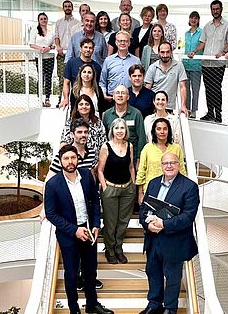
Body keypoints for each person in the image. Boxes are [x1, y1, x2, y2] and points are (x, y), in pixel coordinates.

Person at [44, 144, 113, 314]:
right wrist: (74, 230)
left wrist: (96, 224)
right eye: (66, 158)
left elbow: (95, 201)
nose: (70, 161)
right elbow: (51, 214)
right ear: (60, 162)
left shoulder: (86, 176)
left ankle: (92, 304)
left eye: (73, 157)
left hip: (89, 231)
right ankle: (74, 309)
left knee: (90, 271)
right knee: (72, 274)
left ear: (78, 159)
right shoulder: (53, 184)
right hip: (69, 235)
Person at [138, 152, 198, 314]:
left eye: (173, 163)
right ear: (161, 165)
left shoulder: (189, 186)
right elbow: (144, 208)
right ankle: (154, 304)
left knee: (172, 278)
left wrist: (164, 224)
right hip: (153, 238)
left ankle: (170, 309)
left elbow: (188, 216)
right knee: (153, 272)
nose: (169, 166)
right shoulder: (153, 183)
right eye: (166, 163)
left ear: (179, 165)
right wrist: (147, 225)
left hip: (174, 241)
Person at [97, 118, 135, 264]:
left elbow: (131, 167)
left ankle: (119, 248)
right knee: (110, 222)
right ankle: (110, 249)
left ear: (126, 131)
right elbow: (100, 170)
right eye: (117, 128)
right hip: (110, 189)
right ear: (112, 130)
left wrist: (133, 185)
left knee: (123, 222)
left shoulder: (129, 145)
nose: (119, 131)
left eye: (122, 128)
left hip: (127, 189)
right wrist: (105, 188)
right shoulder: (106, 147)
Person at [188, 0, 228, 123]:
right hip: (206, 63)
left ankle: (218, 114)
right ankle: (210, 113)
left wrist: (223, 52)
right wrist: (194, 52)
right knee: (208, 88)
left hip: (218, 64)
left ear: (221, 9)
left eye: (217, 9)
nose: (215, 11)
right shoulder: (207, 26)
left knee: (216, 88)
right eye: (213, 9)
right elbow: (202, 43)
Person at [136, 118, 186, 204]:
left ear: (169, 131)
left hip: (173, 191)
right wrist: (140, 194)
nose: (162, 132)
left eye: (165, 129)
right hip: (151, 190)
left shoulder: (176, 148)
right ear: (154, 131)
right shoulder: (147, 148)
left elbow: (181, 170)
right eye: (159, 129)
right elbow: (141, 172)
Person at [102, 85, 146, 164]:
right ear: (113, 96)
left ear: (128, 97)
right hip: (112, 159)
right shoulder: (107, 114)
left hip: (132, 158)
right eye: (117, 93)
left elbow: (141, 138)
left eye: (123, 93)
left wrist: (139, 159)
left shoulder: (136, 114)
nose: (120, 95)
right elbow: (104, 137)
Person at [144, 41, 187, 114]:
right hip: (154, 107)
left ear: (171, 52)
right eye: (162, 52)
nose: (165, 55)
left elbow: (183, 87)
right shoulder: (152, 67)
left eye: (168, 52)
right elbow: (147, 88)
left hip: (169, 107)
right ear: (158, 53)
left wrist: (183, 105)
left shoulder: (178, 66)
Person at [59, 38, 102, 111]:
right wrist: (66, 98)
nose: (88, 50)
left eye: (90, 48)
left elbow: (98, 85)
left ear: (93, 50)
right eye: (85, 47)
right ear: (80, 49)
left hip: (92, 100)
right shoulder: (71, 63)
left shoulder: (97, 67)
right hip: (76, 99)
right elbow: (66, 83)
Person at [99, 31, 141, 103]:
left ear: (129, 43)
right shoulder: (108, 60)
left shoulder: (136, 61)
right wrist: (104, 94)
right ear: (116, 42)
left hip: (131, 98)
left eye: (125, 41)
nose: (122, 43)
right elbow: (102, 81)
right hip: (112, 98)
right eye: (120, 41)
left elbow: (140, 81)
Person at [54, 0, 81, 105]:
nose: (67, 8)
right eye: (65, 6)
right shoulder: (58, 22)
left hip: (73, 55)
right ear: (63, 8)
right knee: (62, 76)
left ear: (72, 8)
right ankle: (61, 99)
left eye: (69, 6)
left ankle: (73, 99)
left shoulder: (77, 23)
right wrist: (58, 46)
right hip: (61, 54)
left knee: (74, 77)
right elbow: (56, 36)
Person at [28, 12, 55, 107]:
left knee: (48, 78)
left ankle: (47, 98)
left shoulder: (51, 31)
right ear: (38, 21)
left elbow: (53, 44)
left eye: (45, 18)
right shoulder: (34, 30)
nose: (44, 20)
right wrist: (40, 48)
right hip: (39, 58)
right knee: (41, 77)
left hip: (50, 58)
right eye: (41, 19)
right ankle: (39, 98)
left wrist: (49, 48)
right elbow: (31, 44)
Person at [183, 11, 203, 119]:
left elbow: (202, 44)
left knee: (195, 89)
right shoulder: (186, 33)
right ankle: (187, 109)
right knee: (186, 89)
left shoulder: (201, 32)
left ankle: (194, 110)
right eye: (191, 18)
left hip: (196, 65)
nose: (193, 20)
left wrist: (194, 52)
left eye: (195, 18)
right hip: (186, 65)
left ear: (198, 20)